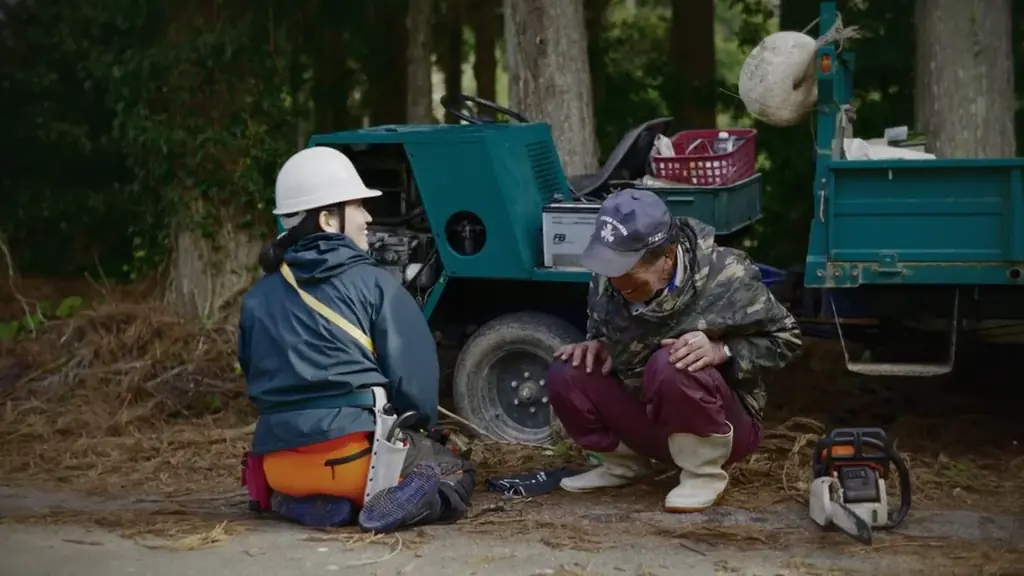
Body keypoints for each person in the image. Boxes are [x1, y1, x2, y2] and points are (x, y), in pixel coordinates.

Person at [237, 146, 475, 533]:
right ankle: (399, 503)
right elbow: (414, 390)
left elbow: (253, 380)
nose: (368, 217)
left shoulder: (256, 298)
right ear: (329, 219)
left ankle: (302, 503)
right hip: (355, 464)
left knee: (299, 483)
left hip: (278, 465)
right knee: (453, 467)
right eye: (359, 206)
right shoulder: (377, 285)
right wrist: (422, 432)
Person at [547, 188, 802, 513]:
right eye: (611, 273)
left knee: (673, 361)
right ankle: (623, 465)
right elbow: (601, 328)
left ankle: (702, 474)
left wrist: (722, 349)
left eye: (631, 278)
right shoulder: (610, 277)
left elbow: (788, 338)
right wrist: (599, 345)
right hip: (649, 414)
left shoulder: (726, 276)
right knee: (567, 370)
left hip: (721, 426)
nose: (619, 286)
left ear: (667, 258)